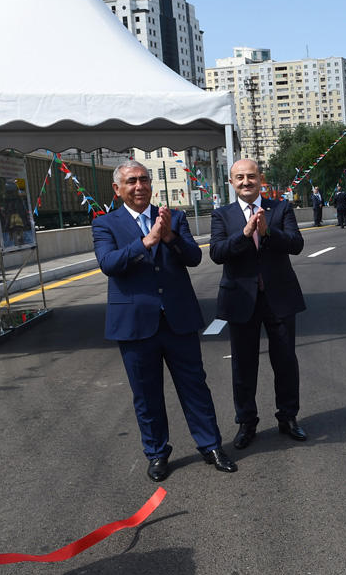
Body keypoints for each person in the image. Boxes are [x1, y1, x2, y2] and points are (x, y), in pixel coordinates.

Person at [92, 161, 237, 482]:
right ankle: (157, 453)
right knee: (147, 395)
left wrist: (169, 235)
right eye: (131, 181)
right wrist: (145, 242)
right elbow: (108, 263)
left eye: (144, 179)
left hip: (178, 320)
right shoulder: (106, 225)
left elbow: (194, 258)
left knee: (195, 387)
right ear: (118, 190)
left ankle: (211, 445)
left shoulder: (175, 218)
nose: (139, 186)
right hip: (134, 324)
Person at [210, 159, 308, 448]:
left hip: (279, 297)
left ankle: (288, 417)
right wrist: (244, 234)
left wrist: (266, 231)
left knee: (286, 361)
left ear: (260, 179)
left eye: (251, 176)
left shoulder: (281, 208)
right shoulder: (222, 215)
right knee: (243, 365)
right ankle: (247, 422)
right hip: (240, 299)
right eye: (239, 177)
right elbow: (217, 252)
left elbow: (296, 244)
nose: (245, 182)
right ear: (231, 182)